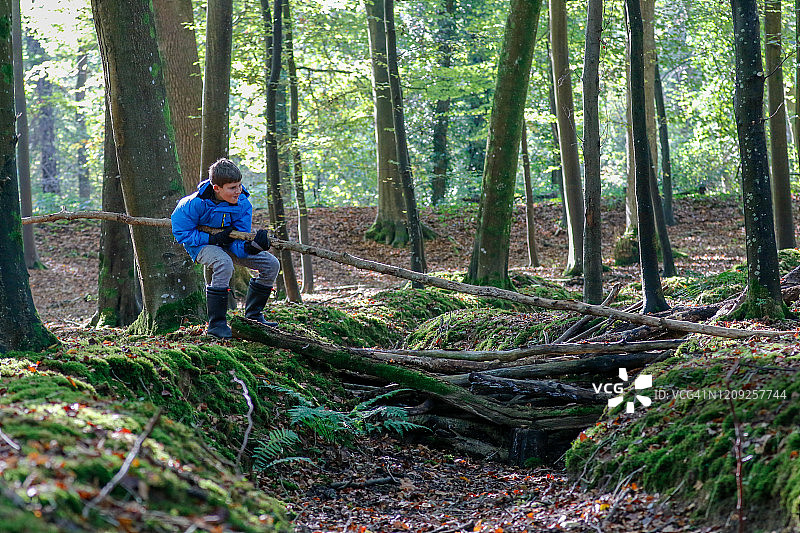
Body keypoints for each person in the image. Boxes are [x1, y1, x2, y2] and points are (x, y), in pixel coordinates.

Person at [171, 158, 280, 338]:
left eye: (239, 185)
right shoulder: (193, 204)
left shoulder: (243, 203)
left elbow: (239, 240)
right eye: (232, 188)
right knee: (224, 263)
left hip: (228, 244)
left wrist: (252, 247)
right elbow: (181, 233)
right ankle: (217, 325)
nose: (238, 191)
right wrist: (211, 238)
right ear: (217, 188)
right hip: (200, 245)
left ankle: (253, 317)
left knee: (271, 264)